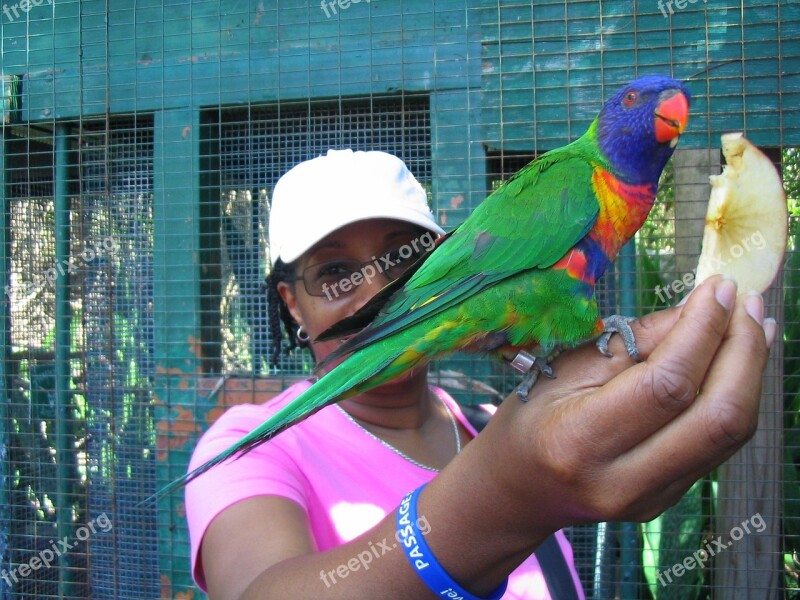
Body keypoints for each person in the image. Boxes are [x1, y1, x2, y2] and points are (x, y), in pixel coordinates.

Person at [185, 149, 775, 600]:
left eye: (405, 257)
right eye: (336, 271)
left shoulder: (487, 420)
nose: (380, 287)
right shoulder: (247, 445)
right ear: (291, 304)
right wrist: (508, 497)